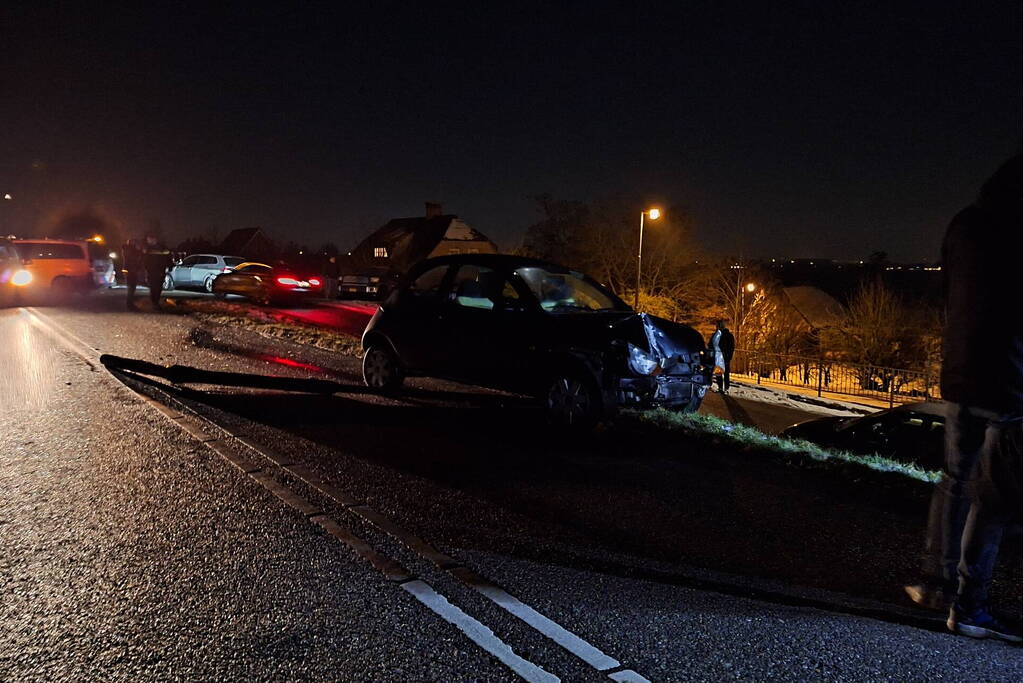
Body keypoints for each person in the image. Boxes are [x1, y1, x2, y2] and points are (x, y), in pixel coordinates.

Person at [907, 153, 1023, 642]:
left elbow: (948, 293)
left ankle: (936, 585)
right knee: (995, 501)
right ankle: (971, 606)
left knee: (956, 479)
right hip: (1012, 382)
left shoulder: (965, 224)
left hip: (961, 372)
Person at [141, 234, 173, 309]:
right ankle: (154, 302)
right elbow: (144, 260)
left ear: (154, 239)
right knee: (153, 287)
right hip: (152, 271)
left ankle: (155, 302)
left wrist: (170, 265)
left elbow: (168, 257)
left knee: (158, 287)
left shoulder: (159, 248)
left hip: (159, 270)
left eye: (149, 239)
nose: (148, 241)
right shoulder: (148, 248)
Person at [709, 320, 735, 394]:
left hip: (723, 357)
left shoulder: (728, 336)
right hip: (717, 356)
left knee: (725, 373)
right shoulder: (716, 335)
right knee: (718, 372)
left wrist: (728, 357)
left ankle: (725, 388)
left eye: (718, 325)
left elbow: (730, 348)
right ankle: (721, 387)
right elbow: (711, 344)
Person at [122, 237, 144, 311]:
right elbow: (132, 258)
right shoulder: (128, 249)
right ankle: (129, 304)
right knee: (131, 287)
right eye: (133, 242)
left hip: (132, 270)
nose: (135, 244)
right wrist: (139, 250)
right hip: (130, 271)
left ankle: (130, 303)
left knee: (132, 287)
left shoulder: (130, 249)